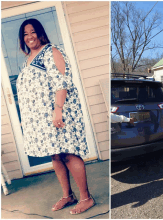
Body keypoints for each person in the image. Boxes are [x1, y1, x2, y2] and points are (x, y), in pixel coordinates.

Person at [16, 18, 95, 214]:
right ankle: (68, 196)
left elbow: (62, 82)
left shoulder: (51, 52)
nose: (29, 37)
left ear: (40, 32)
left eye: (32, 32)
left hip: (59, 113)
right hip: (42, 119)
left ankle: (86, 198)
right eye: (25, 34)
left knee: (68, 153)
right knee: (56, 155)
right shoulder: (28, 60)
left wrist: (57, 111)